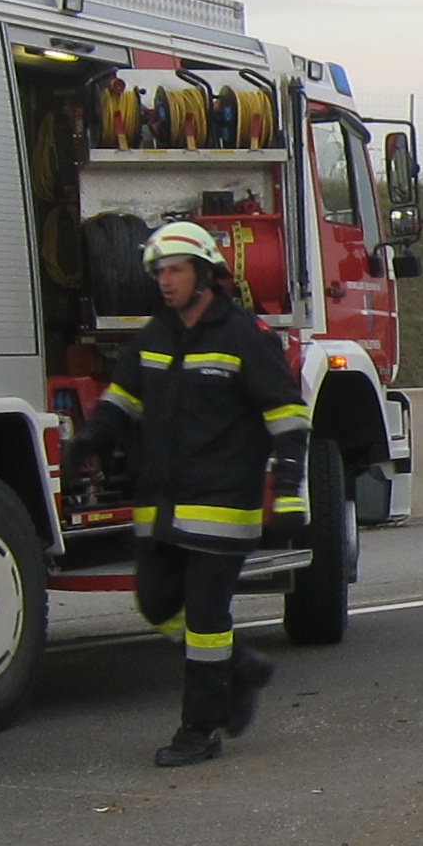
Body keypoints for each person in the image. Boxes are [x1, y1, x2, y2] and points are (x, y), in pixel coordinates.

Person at [73, 217, 312, 766]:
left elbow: (288, 416)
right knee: (156, 604)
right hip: (161, 507)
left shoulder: (246, 337)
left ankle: (199, 731)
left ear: (204, 273)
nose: (165, 280)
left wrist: (290, 490)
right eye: (159, 271)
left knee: (205, 620)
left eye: (176, 270)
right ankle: (241, 668)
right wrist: (88, 440)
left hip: (221, 507)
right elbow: (121, 401)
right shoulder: (155, 336)